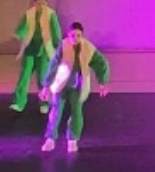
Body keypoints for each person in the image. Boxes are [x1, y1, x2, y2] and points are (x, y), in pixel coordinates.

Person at [40, 22, 109, 154]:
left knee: (76, 112)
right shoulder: (63, 46)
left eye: (78, 35)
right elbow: (53, 64)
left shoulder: (87, 47)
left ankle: (73, 139)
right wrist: (46, 85)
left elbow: (101, 63)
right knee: (56, 111)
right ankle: (50, 139)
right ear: (68, 35)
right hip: (61, 84)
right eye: (73, 35)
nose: (75, 38)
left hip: (78, 85)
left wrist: (102, 82)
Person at [12, 0, 61, 114]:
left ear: (46, 3)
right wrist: (19, 35)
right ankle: (19, 102)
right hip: (30, 48)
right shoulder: (29, 14)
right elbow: (21, 28)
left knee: (43, 77)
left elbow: (56, 32)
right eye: (38, 3)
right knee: (24, 76)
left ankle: (44, 102)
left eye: (43, 3)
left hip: (44, 50)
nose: (40, 6)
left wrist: (58, 45)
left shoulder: (51, 14)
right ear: (34, 3)